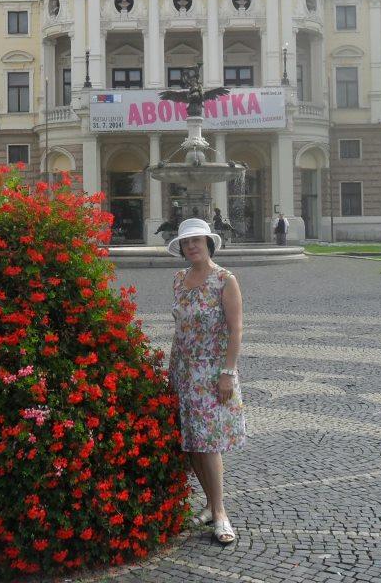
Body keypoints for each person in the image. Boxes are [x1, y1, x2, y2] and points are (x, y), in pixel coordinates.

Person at [166, 217, 246, 545]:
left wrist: (228, 373)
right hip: (183, 370)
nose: (191, 246)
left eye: (196, 240)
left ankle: (221, 512)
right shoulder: (179, 279)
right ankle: (211, 506)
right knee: (191, 442)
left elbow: (236, 329)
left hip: (212, 372)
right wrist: (172, 371)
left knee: (209, 442)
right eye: (186, 242)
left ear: (208, 243)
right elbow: (180, 329)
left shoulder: (225, 280)